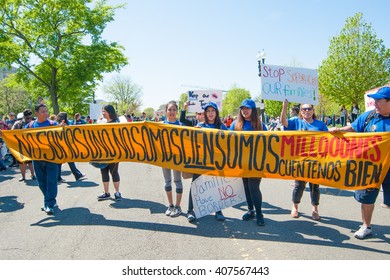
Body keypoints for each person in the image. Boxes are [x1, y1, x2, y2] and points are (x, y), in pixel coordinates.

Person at [330, 86, 390, 239]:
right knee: (366, 198)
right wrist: (339, 130)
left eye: (378, 101)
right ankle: (366, 226)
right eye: (374, 100)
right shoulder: (368, 117)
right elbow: (351, 128)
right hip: (369, 168)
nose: (374, 103)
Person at [281, 99, 328, 221]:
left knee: (315, 186)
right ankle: (295, 207)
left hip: (315, 160)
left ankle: (315, 209)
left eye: (309, 109)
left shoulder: (320, 125)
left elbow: (328, 140)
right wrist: (285, 107)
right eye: (304, 109)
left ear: (313, 111)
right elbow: (283, 122)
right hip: (300, 160)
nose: (306, 111)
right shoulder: (296, 122)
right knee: (299, 185)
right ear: (300, 112)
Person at [186, 101, 227, 223]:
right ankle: (190, 210)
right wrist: (194, 132)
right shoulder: (199, 125)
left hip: (216, 162)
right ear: (205, 113)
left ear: (216, 112)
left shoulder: (222, 127)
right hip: (201, 161)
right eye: (208, 111)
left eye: (213, 111)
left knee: (218, 185)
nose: (210, 113)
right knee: (195, 184)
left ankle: (218, 210)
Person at [230, 99, 267, 226]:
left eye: (248, 108)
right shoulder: (235, 124)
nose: (245, 111)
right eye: (243, 108)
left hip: (256, 163)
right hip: (241, 162)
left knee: (254, 187)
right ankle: (251, 210)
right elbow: (225, 138)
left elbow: (269, 143)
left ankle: (259, 213)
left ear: (253, 110)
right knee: (246, 186)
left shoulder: (260, 125)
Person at [25, 103, 58, 215]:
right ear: (36, 113)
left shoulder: (53, 124)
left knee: (52, 181)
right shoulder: (30, 126)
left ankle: (48, 204)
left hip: (52, 158)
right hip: (37, 158)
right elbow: (20, 137)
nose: (46, 113)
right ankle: (50, 201)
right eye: (43, 111)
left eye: (46, 111)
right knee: (42, 183)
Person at [161, 101, 184, 217]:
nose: (172, 112)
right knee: (167, 182)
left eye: (174, 109)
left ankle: (178, 206)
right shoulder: (160, 125)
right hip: (164, 158)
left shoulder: (181, 125)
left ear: (177, 111)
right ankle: (170, 205)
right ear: (166, 111)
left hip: (177, 158)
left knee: (178, 181)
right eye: (170, 109)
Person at [97, 105, 122, 201]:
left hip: (114, 153)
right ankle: (106, 193)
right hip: (103, 153)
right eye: (102, 111)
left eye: (104, 111)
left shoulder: (116, 123)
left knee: (114, 172)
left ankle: (117, 192)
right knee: (104, 171)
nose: (103, 113)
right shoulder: (103, 123)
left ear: (109, 112)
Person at [56, 112, 86, 182]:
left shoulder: (56, 124)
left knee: (60, 162)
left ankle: (58, 177)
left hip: (60, 146)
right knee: (70, 160)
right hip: (65, 145)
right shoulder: (64, 124)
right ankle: (77, 175)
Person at [11, 109, 36, 181]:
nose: (29, 119)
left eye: (30, 118)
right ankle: (23, 176)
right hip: (21, 145)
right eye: (27, 118)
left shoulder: (34, 123)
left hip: (31, 145)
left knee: (31, 162)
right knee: (22, 162)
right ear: (24, 117)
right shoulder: (18, 123)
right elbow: (11, 133)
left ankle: (33, 175)